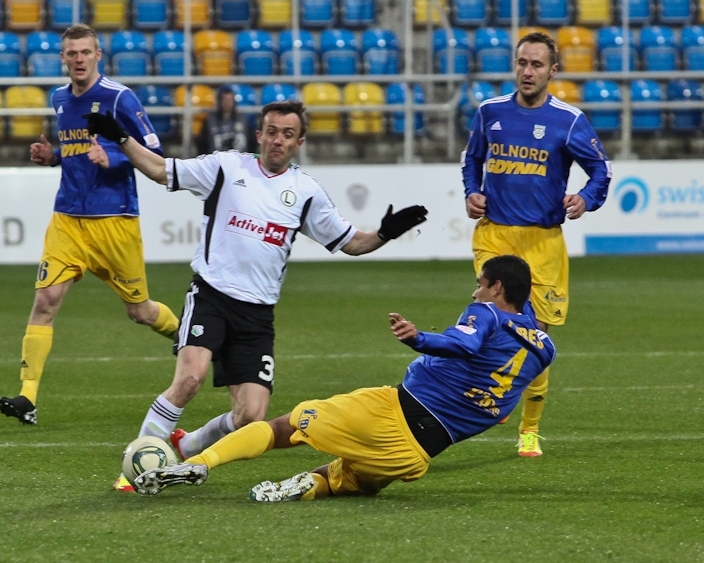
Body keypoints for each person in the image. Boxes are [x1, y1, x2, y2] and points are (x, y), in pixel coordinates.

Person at [84, 100, 429, 492]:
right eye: (271, 131)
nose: (277, 140)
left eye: (286, 134)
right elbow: (161, 168)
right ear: (259, 134)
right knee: (190, 378)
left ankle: (190, 443)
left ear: (299, 142)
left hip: (257, 315)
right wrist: (121, 137)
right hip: (211, 295)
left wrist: (385, 233)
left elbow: (351, 243)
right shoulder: (226, 167)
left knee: (251, 415)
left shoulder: (306, 193)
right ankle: (136, 466)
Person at [130, 255, 557, 501]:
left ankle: (197, 464)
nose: (475, 293)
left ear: (498, 288)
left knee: (286, 425)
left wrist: (418, 338)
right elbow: (502, 392)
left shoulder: (485, 313)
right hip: (417, 457)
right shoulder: (543, 347)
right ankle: (307, 486)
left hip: (395, 411)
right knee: (346, 480)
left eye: (481, 285)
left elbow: (463, 344)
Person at [0, 24, 180, 425]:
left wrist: (112, 159)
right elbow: (78, 150)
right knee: (45, 302)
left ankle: (189, 337)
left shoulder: (119, 99)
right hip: (67, 219)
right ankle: (28, 397)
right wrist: (55, 158)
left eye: (85, 52)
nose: (78, 59)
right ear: (62, 58)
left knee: (141, 312)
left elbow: (154, 153)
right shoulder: (59, 98)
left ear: (98, 55)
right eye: (71, 53)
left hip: (114, 220)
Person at [461, 31, 611, 457]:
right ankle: (490, 391)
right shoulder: (490, 112)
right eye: (522, 63)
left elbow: (601, 170)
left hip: (543, 242)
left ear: (553, 71)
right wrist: (473, 190)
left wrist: (586, 198)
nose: (528, 72)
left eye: (537, 65)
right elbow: (472, 158)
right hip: (496, 234)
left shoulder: (569, 120)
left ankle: (528, 428)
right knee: (492, 315)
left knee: (534, 338)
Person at [195, 85, 257, 156]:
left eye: (230, 100)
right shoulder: (209, 120)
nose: (227, 103)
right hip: (216, 162)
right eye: (224, 100)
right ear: (219, 101)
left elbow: (252, 143)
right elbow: (202, 144)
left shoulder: (244, 119)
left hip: (240, 162)